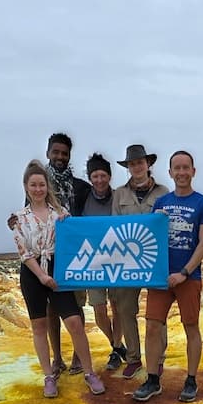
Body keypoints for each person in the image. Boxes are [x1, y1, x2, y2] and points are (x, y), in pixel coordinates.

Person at [11, 160, 105, 399]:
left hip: (59, 270)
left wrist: (68, 223)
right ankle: (49, 376)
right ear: (26, 187)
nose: (38, 189)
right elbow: (24, 253)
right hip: (33, 273)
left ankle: (89, 372)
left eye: (41, 184)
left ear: (47, 186)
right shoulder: (19, 218)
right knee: (39, 326)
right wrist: (42, 276)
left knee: (74, 321)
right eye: (33, 185)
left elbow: (76, 237)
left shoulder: (60, 214)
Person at [133, 150, 203, 403]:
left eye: (185, 168)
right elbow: (150, 240)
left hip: (187, 277)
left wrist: (184, 273)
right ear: (169, 173)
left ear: (193, 171)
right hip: (160, 278)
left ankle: (191, 380)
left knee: (191, 327)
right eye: (176, 168)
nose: (181, 172)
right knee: (152, 327)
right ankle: (152, 380)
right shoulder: (161, 203)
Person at [9, 133, 92, 376]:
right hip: (37, 267)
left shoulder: (81, 188)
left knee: (75, 311)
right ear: (48, 153)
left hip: (70, 260)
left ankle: (81, 361)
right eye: (55, 152)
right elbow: (29, 220)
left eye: (64, 153)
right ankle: (56, 360)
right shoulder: (37, 183)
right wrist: (15, 223)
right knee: (47, 315)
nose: (60, 157)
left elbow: (88, 221)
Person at [110, 144, 169, 379]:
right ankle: (133, 358)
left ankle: (158, 358)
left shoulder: (164, 192)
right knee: (126, 310)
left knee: (157, 312)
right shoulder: (119, 194)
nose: (136, 167)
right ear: (128, 167)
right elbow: (114, 226)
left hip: (155, 260)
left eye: (140, 162)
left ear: (148, 164)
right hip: (127, 262)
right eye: (132, 163)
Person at [79, 152, 123, 369]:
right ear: (90, 178)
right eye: (95, 176)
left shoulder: (119, 197)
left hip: (117, 260)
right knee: (99, 311)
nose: (99, 180)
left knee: (117, 307)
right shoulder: (83, 198)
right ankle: (116, 345)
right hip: (93, 262)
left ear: (110, 176)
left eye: (103, 175)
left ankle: (116, 351)